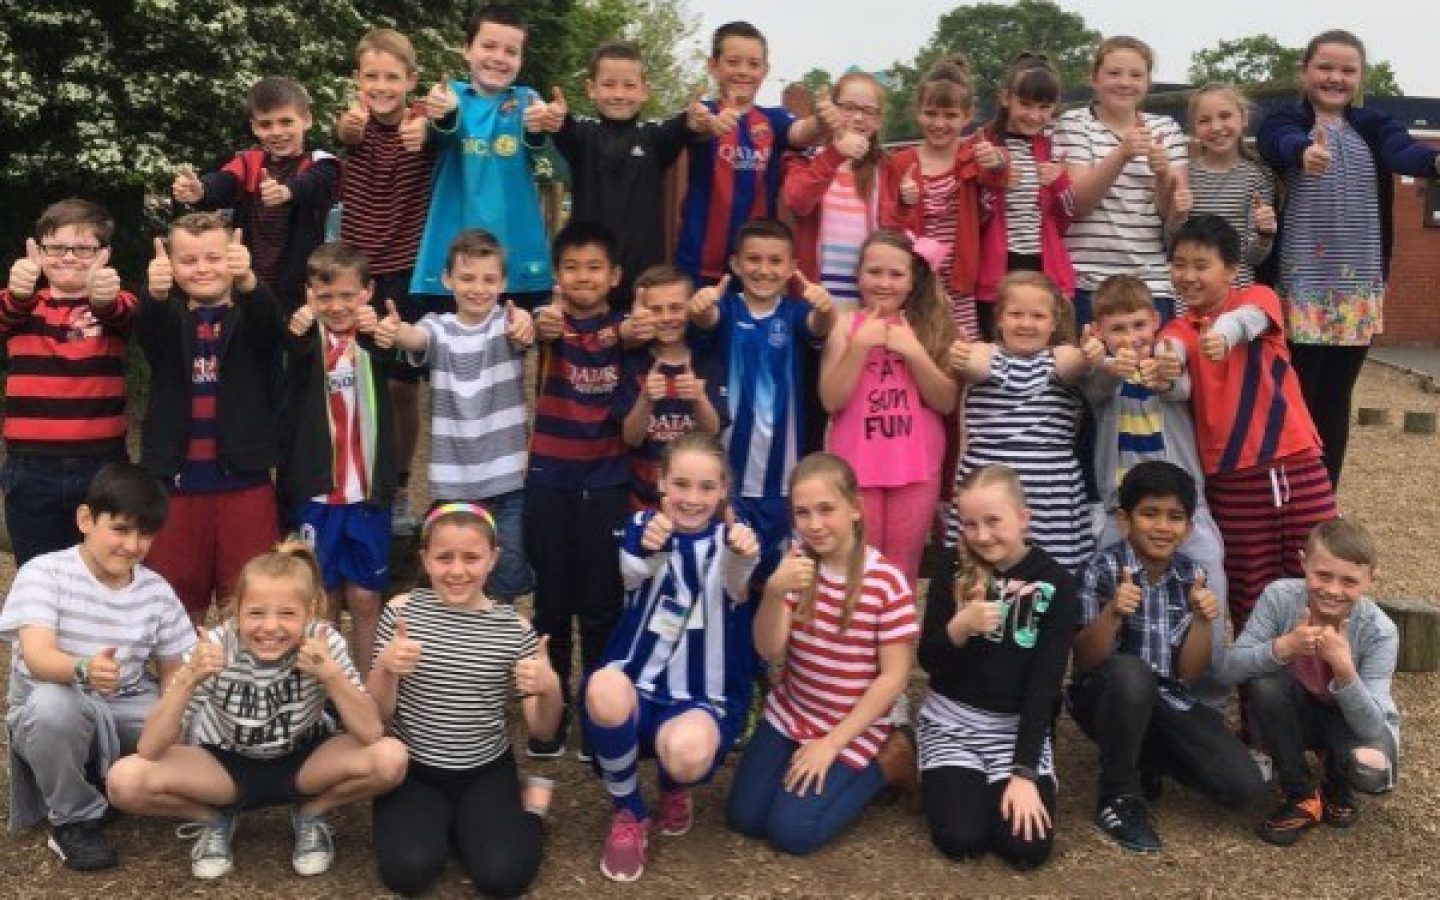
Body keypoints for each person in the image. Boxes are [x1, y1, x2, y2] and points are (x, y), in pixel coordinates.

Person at [105, 542, 407, 880]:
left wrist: (330, 674)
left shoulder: (324, 643)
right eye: (256, 613)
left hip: (304, 759)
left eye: (287, 614)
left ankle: (310, 812)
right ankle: (214, 819)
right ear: (237, 612)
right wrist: (188, 679)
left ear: (310, 612)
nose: (270, 627)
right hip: (223, 764)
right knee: (125, 781)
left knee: (390, 758)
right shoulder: (215, 647)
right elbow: (150, 748)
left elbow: (370, 732)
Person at [1257, 29, 1440, 489]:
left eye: (1346, 70)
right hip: (1298, 286)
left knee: (1336, 399)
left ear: (1359, 77)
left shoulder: (1375, 126)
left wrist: (1433, 163)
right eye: (1325, 67)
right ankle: (1284, 493)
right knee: (1293, 395)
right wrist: (1303, 151)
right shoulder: (1286, 121)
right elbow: (1274, 141)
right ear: (1305, 71)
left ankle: (1322, 495)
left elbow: (1405, 151)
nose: (1335, 78)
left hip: (1355, 291)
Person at [582, 434, 761, 881]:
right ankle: (628, 811)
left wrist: (745, 552)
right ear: (662, 482)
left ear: (723, 489)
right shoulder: (644, 527)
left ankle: (672, 786)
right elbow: (634, 569)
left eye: (706, 487)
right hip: (639, 684)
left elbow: (739, 583)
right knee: (603, 687)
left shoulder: (734, 543)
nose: (692, 498)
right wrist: (650, 543)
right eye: (681, 484)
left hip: (701, 696)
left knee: (685, 755)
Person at [0, 463, 194, 871]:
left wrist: (178, 709)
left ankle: (113, 779)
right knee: (54, 709)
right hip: (53, 696)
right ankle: (74, 818)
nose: (132, 545)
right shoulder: (45, 572)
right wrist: (84, 668)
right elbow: (37, 656)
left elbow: (174, 666)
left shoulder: (156, 591)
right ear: (86, 520)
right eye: (120, 529)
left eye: (144, 534)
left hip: (125, 700)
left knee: (196, 722)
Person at [1069, 461, 1264, 855]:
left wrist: (1201, 621)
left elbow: (1187, 674)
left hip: (1167, 700)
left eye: (1175, 517)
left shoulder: (1190, 577)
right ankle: (1118, 796)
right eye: (1149, 514)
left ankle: (1146, 759)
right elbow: (1085, 661)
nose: (1162, 526)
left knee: (1242, 788)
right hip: (1107, 696)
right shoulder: (1100, 568)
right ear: (1124, 521)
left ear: (1188, 528)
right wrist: (1113, 613)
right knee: (1131, 674)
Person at [726, 452, 917, 855]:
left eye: (826, 509)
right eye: (802, 513)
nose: (814, 524)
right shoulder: (796, 566)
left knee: (792, 833)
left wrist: (831, 744)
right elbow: (768, 648)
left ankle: (889, 760)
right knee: (744, 818)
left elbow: (893, 677)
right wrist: (775, 593)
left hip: (853, 725)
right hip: (793, 711)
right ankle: (798, 763)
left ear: (855, 509)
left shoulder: (887, 582)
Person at [369, 504, 563, 897]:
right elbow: (378, 717)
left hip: (484, 769)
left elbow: (543, 729)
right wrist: (386, 668)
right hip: (415, 768)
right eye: (443, 557)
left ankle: (532, 810)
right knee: (408, 872)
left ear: (493, 558)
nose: (457, 571)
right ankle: (451, 825)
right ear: (424, 558)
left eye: (471, 557)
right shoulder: (401, 612)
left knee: (504, 877)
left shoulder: (515, 630)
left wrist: (550, 687)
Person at [1159, 215, 1335, 638]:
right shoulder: (1178, 327)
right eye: (1179, 264)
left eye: (1201, 265)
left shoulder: (1257, 297)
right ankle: (1259, 693)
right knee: (1248, 588)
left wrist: (1224, 332)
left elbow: (1251, 319)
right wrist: (1164, 368)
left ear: (1231, 269)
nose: (1188, 276)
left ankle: (1328, 682)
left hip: (1296, 459)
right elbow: (1174, 368)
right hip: (1232, 477)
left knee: (1325, 568)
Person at [525, 221, 650, 757]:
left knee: (600, 603)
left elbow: (656, 328)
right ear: (557, 274)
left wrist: (634, 326)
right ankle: (551, 711)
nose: (583, 277)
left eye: (595, 267)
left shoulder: (628, 329)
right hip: (549, 476)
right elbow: (530, 326)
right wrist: (535, 321)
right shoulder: (544, 325)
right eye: (572, 267)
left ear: (615, 276)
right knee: (550, 602)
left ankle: (598, 710)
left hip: (606, 479)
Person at [918, 465, 1077, 869]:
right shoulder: (951, 568)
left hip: (1015, 728)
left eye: (993, 521)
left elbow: (1045, 685)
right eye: (969, 524)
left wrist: (1023, 773)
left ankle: (1004, 782)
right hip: (952, 723)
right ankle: (949, 777)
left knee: (1026, 849)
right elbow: (929, 661)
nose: (981, 535)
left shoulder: (1055, 583)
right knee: (961, 838)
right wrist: (959, 627)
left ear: (1024, 517)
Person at [374, 228, 536, 604]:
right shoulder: (438, 326)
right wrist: (397, 332)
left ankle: (497, 656)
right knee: (449, 580)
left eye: (488, 279)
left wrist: (525, 321)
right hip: (453, 484)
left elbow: (524, 331)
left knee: (504, 582)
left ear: (503, 282)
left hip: (507, 481)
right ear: (448, 279)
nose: (477, 288)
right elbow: (418, 339)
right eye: (466, 278)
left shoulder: (508, 324)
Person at [136, 213, 283, 624]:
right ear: (171, 264)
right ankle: (183, 685)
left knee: (250, 603)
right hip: (176, 487)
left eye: (214, 257)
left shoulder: (250, 317)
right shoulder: (168, 319)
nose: (202, 268)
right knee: (178, 608)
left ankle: (244, 687)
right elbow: (148, 327)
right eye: (188, 260)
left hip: (245, 484)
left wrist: (250, 283)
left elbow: (271, 329)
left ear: (234, 258)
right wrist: (155, 293)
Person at [1220, 519, 1398, 847]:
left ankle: (1337, 777)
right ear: (1304, 563)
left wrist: (1344, 669)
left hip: (1350, 722)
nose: (1332, 590)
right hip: (1296, 710)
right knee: (1265, 683)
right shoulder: (1279, 597)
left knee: (1372, 773)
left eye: (1349, 581)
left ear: (1370, 579)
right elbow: (1230, 668)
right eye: (1323, 575)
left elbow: (1372, 724)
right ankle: (1301, 793)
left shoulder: (1380, 631)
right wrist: (1285, 646)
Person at [688, 218, 838, 580]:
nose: (764, 270)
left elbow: (819, 328)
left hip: (782, 485)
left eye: (775, 261)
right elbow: (706, 320)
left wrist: (827, 311)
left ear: (791, 268)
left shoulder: (796, 313)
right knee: (728, 578)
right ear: (736, 264)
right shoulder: (727, 309)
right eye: (753, 260)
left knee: (779, 579)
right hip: (728, 482)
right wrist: (701, 307)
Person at [335, 27, 437, 532]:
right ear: (357, 79)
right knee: (351, 377)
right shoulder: (353, 126)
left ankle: (397, 483)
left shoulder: (424, 126)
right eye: (371, 75)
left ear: (410, 81)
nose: (381, 86)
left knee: (402, 387)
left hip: (408, 269)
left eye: (391, 77)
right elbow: (346, 134)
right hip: (358, 273)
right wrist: (351, 128)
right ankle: (349, 476)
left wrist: (431, 128)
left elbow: (448, 128)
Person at [280, 242, 397, 678]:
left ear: (367, 292)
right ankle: (328, 693)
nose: (337, 306)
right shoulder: (303, 341)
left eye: (348, 295)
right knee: (323, 597)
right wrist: (296, 330)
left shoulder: (377, 338)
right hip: (317, 492)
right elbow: (288, 356)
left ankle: (366, 687)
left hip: (367, 491)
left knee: (366, 597)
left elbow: (399, 353)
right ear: (309, 296)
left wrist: (387, 331)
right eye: (325, 296)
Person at [1081, 274, 1227, 614]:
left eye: (1138, 325)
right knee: (1109, 582)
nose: (1131, 338)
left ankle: (1209, 665)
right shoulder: (1101, 371)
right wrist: (1111, 368)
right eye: (1117, 329)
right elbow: (1095, 386)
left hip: (1185, 500)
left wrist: (1163, 377)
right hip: (1122, 505)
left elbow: (1180, 385)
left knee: (1209, 579)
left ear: (1155, 322)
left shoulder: (1167, 358)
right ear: (1099, 332)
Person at [0, 199, 134, 566]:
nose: (69, 257)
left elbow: (125, 317)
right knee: (38, 575)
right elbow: (6, 312)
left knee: (105, 573)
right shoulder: (19, 306)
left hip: (102, 467)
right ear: (39, 253)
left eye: (83, 248)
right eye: (56, 248)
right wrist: (19, 294)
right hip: (30, 469)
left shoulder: (117, 304)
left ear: (103, 254)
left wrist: (103, 299)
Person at [820, 229, 957, 584]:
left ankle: (895, 639)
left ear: (913, 281)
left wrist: (914, 352)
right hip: (855, 468)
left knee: (900, 571)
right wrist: (858, 348)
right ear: (859, 275)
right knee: (856, 568)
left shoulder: (930, 326)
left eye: (896, 274)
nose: (884, 283)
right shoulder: (844, 325)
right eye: (874, 272)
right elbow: (831, 401)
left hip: (915, 468)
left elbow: (945, 401)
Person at [947, 271, 1098, 571]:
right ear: (999, 318)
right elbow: (977, 366)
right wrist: (962, 356)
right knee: (977, 570)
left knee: (1052, 573)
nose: (1026, 324)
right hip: (987, 486)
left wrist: (1087, 355)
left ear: (1054, 323)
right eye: (1016, 314)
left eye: (1038, 316)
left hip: (1050, 491)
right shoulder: (984, 352)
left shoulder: (1062, 355)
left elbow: (1070, 368)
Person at [539, 40, 706, 311]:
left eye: (629, 85)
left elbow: (682, 125)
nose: (619, 94)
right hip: (590, 284)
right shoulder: (583, 135)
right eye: (608, 84)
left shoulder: (654, 137)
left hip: (643, 287)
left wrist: (692, 118)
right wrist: (557, 119)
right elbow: (565, 127)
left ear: (644, 91)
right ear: (591, 89)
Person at [409, 4, 555, 308]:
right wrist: (438, 115)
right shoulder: (450, 95)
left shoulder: (528, 100)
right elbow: (443, 125)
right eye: (488, 45)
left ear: (521, 59)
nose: (499, 58)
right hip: (451, 258)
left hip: (515, 258)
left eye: (511, 51)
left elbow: (537, 139)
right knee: (446, 348)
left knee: (513, 350)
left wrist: (540, 123)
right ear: (466, 50)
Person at [674, 20, 829, 286]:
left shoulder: (774, 120)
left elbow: (800, 133)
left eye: (753, 64)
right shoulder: (703, 113)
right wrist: (707, 125)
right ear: (713, 66)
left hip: (756, 271)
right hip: (698, 266)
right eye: (733, 62)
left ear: (765, 70)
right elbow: (694, 126)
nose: (743, 71)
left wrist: (822, 120)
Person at [171, 76, 340, 314]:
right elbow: (222, 182)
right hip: (250, 285)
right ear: (254, 127)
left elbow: (315, 183)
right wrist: (200, 190)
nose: (277, 132)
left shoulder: (322, 163)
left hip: (305, 290)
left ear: (307, 120)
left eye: (286, 121)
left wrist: (286, 191)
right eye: (266, 124)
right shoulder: (249, 162)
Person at [1055, 36, 1187, 325]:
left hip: (1150, 282)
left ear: (1148, 82)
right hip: (1086, 280)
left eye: (1136, 75)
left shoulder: (1166, 128)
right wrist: (1122, 154)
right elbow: (1076, 204)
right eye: (1114, 73)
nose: (1125, 83)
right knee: (1091, 370)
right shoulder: (1074, 124)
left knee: (1151, 370)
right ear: (1094, 78)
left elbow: (1174, 218)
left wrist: (1164, 175)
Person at [882, 55, 1008, 340]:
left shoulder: (972, 155)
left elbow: (1000, 178)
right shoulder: (900, 163)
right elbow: (890, 226)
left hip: (960, 281)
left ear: (966, 116)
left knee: (961, 355)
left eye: (950, 115)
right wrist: (904, 203)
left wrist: (995, 160)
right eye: (931, 113)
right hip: (915, 285)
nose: (939, 123)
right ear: (917, 112)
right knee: (915, 351)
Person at [975, 52, 1075, 339]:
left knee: (1046, 352)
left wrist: (1059, 183)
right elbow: (976, 215)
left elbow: (1067, 217)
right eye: (1026, 104)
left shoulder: (1053, 147)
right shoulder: (984, 143)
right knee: (998, 349)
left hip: (1042, 263)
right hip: (997, 265)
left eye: (1044, 107)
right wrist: (994, 177)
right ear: (1006, 98)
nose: (1034, 115)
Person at [615, 264, 727, 511]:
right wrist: (645, 399)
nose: (666, 317)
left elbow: (713, 433)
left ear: (690, 308)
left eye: (676, 308)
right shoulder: (633, 363)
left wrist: (699, 399)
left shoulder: (706, 361)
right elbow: (630, 438)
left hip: (694, 502)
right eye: (656, 309)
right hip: (642, 499)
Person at [783, 71, 893, 306]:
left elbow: (898, 231)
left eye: (868, 111)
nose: (858, 117)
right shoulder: (805, 158)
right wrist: (835, 155)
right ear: (831, 110)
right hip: (814, 298)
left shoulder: (887, 170)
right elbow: (797, 201)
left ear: (878, 120)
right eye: (849, 107)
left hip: (869, 301)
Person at [1183, 84, 1277, 288]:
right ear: (1193, 128)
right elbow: (1171, 241)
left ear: (1243, 119)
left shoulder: (1258, 177)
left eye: (1225, 116)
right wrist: (1176, 213)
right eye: (1204, 120)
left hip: (1237, 293)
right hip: (1192, 292)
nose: (1216, 127)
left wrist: (1265, 233)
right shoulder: (1184, 174)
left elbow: (1254, 258)